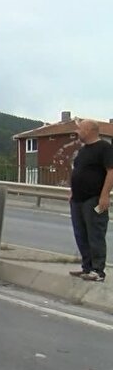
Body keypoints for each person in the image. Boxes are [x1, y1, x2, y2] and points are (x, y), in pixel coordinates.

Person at [69, 119, 113, 282]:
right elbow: (78, 171)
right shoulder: (83, 151)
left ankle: (98, 271)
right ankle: (86, 267)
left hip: (93, 198)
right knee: (81, 234)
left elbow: (111, 171)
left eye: (80, 129)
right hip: (78, 199)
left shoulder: (105, 148)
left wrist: (104, 195)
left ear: (89, 130)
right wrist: (72, 192)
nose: (77, 132)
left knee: (95, 234)